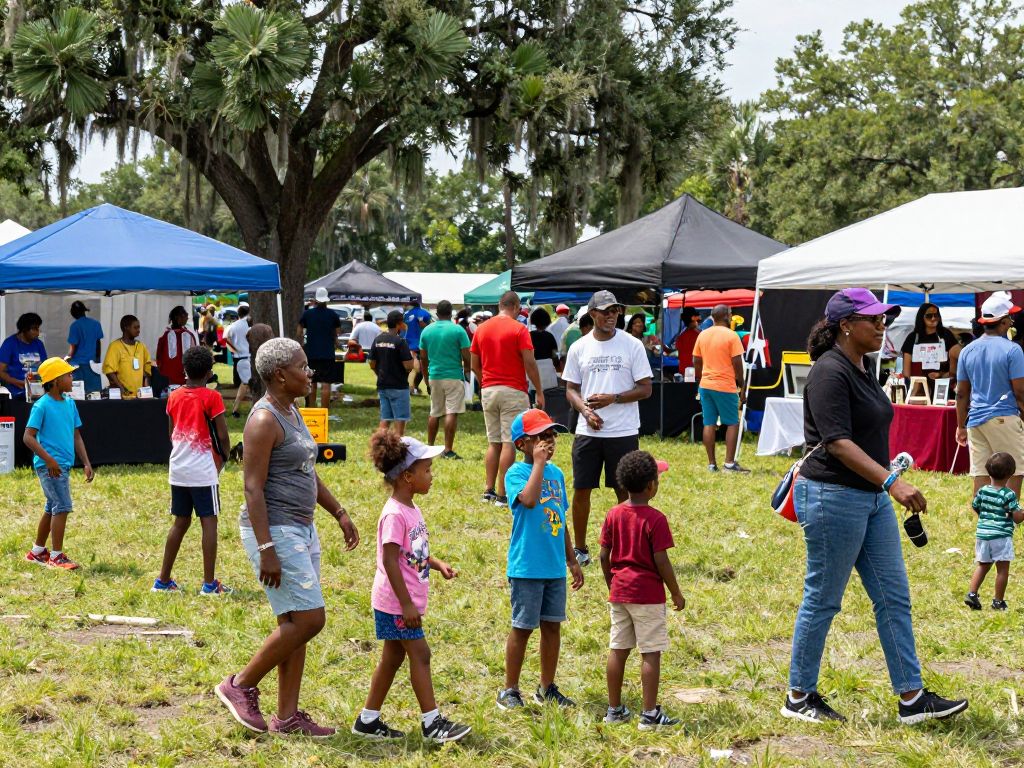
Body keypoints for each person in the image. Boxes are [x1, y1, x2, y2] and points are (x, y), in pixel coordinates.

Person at [783, 287, 967, 725]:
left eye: (884, 317)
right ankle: (797, 696)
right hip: (832, 496)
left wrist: (887, 476)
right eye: (874, 318)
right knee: (824, 599)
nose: (882, 323)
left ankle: (911, 698)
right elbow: (838, 443)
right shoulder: (830, 371)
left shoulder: (862, 366)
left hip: (869, 497)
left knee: (893, 597)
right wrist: (891, 481)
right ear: (846, 325)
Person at [216, 337, 359, 737]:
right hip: (275, 530)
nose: (310, 372)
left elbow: (307, 469)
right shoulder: (263, 420)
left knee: (293, 622)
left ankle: (288, 716)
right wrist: (267, 549)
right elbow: (252, 488)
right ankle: (239, 685)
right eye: (303, 366)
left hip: (301, 527)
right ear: (280, 375)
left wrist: (339, 512)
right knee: (311, 619)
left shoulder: (292, 411)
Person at [353, 431, 471, 743]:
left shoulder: (411, 508)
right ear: (408, 476)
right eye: (427, 470)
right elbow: (390, 561)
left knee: (393, 657)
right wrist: (406, 605)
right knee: (421, 654)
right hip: (396, 603)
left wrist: (436, 563)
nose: (431, 476)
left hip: (401, 601)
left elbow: (411, 553)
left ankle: (368, 719)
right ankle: (432, 724)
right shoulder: (394, 514)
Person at [497, 409, 584, 710]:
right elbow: (530, 500)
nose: (549, 441)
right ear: (522, 444)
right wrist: (537, 463)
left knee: (552, 627)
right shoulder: (516, 473)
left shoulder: (557, 474)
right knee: (522, 628)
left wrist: (571, 559)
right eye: (541, 437)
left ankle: (547, 687)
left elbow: (560, 517)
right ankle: (510, 689)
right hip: (527, 567)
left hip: (553, 567)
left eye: (552, 435)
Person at [562, 290, 652, 567]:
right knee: (582, 489)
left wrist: (613, 398)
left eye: (615, 311)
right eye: (606, 311)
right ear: (592, 314)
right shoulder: (580, 347)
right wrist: (585, 410)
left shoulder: (632, 345)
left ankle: (626, 548)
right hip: (588, 431)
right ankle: (580, 549)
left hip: (623, 431)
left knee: (625, 492)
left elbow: (646, 389)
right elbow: (571, 389)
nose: (612, 316)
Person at [600, 451, 684, 730]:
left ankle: (614, 710)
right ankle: (649, 715)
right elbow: (662, 560)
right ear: (650, 486)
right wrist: (675, 592)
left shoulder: (613, 514)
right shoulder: (656, 519)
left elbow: (603, 555)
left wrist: (612, 584)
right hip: (647, 596)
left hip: (620, 592)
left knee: (618, 649)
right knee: (650, 653)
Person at [153, 346, 232, 595]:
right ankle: (209, 584)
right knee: (209, 522)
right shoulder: (212, 398)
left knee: (181, 522)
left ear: (184, 370)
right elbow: (223, 436)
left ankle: (163, 580)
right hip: (203, 469)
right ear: (210, 373)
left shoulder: (174, 396)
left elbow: (170, 432)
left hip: (178, 467)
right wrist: (225, 458)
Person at [470, 291, 545, 506]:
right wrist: (539, 390)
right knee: (509, 442)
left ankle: (488, 489)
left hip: (488, 390)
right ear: (516, 307)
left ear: (499, 305)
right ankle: (503, 494)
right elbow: (529, 363)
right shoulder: (519, 329)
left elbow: (474, 364)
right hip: (513, 390)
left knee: (493, 443)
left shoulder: (481, 329)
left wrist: (485, 380)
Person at [22, 358, 94, 570]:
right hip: (49, 466)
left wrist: (86, 462)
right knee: (62, 506)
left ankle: (37, 552)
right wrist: (49, 460)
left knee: (51, 506)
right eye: (68, 375)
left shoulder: (70, 404)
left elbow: (77, 436)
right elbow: (28, 437)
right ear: (55, 380)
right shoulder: (41, 405)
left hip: (63, 465)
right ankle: (56, 556)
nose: (72, 378)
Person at [956, 291, 1024, 495]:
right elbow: (1020, 392)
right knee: (1014, 471)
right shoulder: (1013, 350)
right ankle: (1007, 521)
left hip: (975, 421)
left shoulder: (967, 350)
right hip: (1004, 417)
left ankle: (984, 522)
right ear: (1002, 322)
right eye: (1009, 318)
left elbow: (961, 394)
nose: (1012, 321)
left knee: (981, 473)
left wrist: (960, 426)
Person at [964, 452, 1024, 611]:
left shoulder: (983, 491)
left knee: (982, 566)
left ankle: (972, 593)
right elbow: (1017, 518)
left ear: (988, 471)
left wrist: (986, 518)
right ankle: (998, 601)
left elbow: (975, 506)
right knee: (1002, 570)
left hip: (983, 534)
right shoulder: (1009, 495)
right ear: (1011, 474)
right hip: (1001, 536)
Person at [693, 304, 747, 473]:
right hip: (725, 385)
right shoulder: (732, 336)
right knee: (732, 423)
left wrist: (700, 378)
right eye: (730, 314)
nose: (731, 316)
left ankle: (711, 464)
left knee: (708, 423)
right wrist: (742, 385)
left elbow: (696, 360)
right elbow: (737, 362)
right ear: (726, 316)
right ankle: (729, 464)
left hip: (706, 385)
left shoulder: (702, 335)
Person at [419, 300, 471, 459]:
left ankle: (430, 447)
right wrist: (468, 368)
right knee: (451, 412)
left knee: (434, 412)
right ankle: (447, 449)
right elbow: (466, 354)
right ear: (451, 313)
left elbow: (423, 357)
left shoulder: (427, 331)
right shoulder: (458, 330)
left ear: (436, 313)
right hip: (454, 375)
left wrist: (426, 378)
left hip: (434, 375)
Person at [368, 311, 414, 436]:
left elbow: (372, 363)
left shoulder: (378, 339)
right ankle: (397, 448)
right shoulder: (400, 341)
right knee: (400, 419)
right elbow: (408, 366)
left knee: (385, 418)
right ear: (399, 324)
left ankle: (379, 448)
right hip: (399, 386)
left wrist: (379, 373)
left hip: (383, 385)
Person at [900, 303, 961, 395]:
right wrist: (911, 386)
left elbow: (957, 358)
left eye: (936, 315)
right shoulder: (912, 338)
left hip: (943, 386)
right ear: (921, 317)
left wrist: (942, 375)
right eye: (929, 316)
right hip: (918, 387)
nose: (933, 318)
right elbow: (906, 369)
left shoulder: (946, 335)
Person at [298, 287, 342, 409]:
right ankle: (324, 411)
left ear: (316, 300)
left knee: (312, 382)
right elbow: (337, 331)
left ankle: (312, 409)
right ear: (326, 300)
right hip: (327, 353)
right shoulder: (333, 315)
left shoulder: (307, 314)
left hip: (311, 353)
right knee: (326, 384)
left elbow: (299, 330)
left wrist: (303, 339)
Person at [102, 315, 152, 398]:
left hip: (139, 397)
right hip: (123, 397)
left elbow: (147, 369)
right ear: (126, 328)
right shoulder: (115, 346)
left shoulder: (141, 346)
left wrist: (146, 391)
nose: (138, 330)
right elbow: (109, 371)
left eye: (139, 327)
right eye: (135, 328)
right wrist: (121, 387)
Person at [0, 313, 47, 400]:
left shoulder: (39, 344)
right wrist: (16, 382)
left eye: (38, 328)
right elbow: (1, 371)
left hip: (37, 391)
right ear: (24, 329)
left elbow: (45, 367)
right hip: (16, 393)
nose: (38, 332)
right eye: (35, 329)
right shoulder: (10, 344)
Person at [156, 306, 199, 387]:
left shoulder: (188, 334)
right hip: (168, 376)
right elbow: (159, 356)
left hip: (184, 374)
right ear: (177, 317)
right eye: (185, 314)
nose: (187, 317)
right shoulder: (165, 335)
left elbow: (194, 355)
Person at [66, 301, 103, 393]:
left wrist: (67, 358)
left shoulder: (74, 326)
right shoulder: (96, 324)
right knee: (94, 394)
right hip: (92, 364)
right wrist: (97, 360)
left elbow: (73, 346)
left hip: (77, 366)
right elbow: (98, 343)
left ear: (73, 312)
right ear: (84, 311)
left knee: (78, 395)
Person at [225, 304, 252, 418]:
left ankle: (248, 407)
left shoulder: (232, 326)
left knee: (247, 384)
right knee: (245, 384)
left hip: (239, 358)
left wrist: (235, 350)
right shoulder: (249, 325)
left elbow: (226, 340)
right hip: (247, 357)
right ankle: (235, 409)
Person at [403, 299, 432, 396]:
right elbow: (428, 326)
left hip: (407, 343)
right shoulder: (425, 313)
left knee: (410, 367)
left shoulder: (405, 314)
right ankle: (414, 387)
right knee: (421, 368)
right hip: (421, 344)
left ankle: (410, 387)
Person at [529, 307, 560, 389]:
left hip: (533, 370)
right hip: (548, 370)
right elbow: (555, 354)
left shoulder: (528, 336)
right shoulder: (550, 336)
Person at [246, 323, 275, 402]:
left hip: (255, 359)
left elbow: (247, 338)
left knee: (256, 385)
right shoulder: (267, 330)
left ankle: (257, 402)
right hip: (264, 359)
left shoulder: (252, 331)